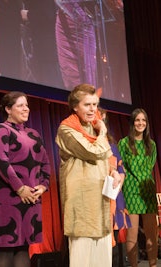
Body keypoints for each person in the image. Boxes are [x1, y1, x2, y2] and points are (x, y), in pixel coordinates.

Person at [55, 83, 118, 267]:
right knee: (83, 259)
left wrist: (113, 171)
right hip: (81, 202)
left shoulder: (95, 128)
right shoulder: (67, 129)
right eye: (87, 105)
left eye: (95, 105)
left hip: (100, 200)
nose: (93, 109)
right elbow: (93, 152)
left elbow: (105, 158)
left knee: (103, 258)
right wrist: (104, 131)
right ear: (75, 106)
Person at [0, 91, 50, 267]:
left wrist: (43, 186)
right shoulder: (1, 130)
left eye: (27, 105)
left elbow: (45, 163)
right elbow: (1, 161)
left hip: (31, 197)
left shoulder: (34, 134)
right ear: (8, 109)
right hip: (7, 196)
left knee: (23, 246)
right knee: (6, 247)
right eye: (20, 105)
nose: (26, 109)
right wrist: (20, 188)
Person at [117, 108, 158, 267]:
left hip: (147, 190)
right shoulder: (124, 143)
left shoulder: (151, 144)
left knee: (151, 234)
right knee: (132, 235)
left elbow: (150, 166)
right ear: (132, 123)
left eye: (144, 120)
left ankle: (153, 265)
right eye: (137, 120)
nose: (141, 123)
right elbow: (120, 166)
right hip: (131, 191)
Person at [99, 108, 131, 267]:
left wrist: (116, 189)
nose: (101, 122)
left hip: (113, 195)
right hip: (97, 199)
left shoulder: (113, 146)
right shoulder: (87, 144)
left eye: (104, 120)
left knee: (116, 237)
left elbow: (121, 170)